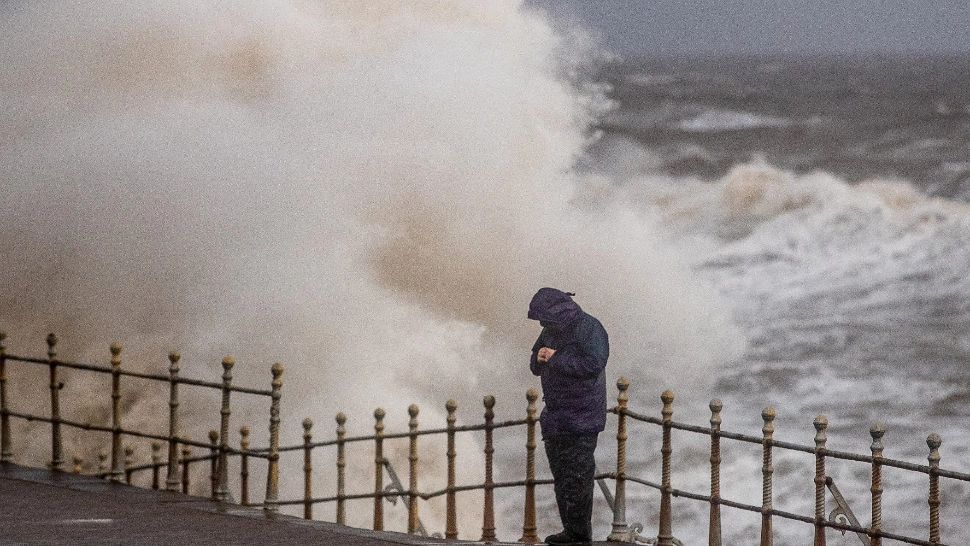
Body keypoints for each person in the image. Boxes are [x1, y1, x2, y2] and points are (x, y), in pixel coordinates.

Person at [528, 287, 609, 545]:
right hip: (556, 417)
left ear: (558, 313)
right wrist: (539, 358)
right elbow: (535, 365)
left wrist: (555, 358)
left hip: (582, 418)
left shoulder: (590, 329)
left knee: (577, 479)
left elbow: (593, 365)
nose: (542, 324)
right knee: (562, 478)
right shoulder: (551, 330)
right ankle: (570, 531)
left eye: (544, 319)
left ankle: (579, 535)